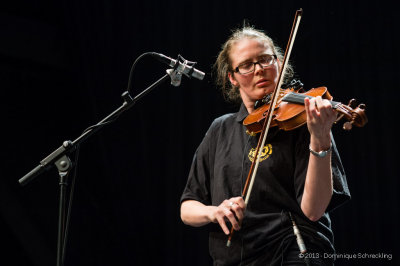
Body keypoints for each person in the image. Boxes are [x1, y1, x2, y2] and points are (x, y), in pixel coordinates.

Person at [180, 26, 350, 266]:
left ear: (279, 63)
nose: (259, 69)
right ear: (233, 77)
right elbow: (188, 207)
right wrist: (214, 212)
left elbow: (314, 210)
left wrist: (320, 138)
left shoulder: (306, 122)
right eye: (247, 65)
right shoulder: (220, 129)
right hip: (233, 258)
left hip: (293, 250)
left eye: (265, 60)